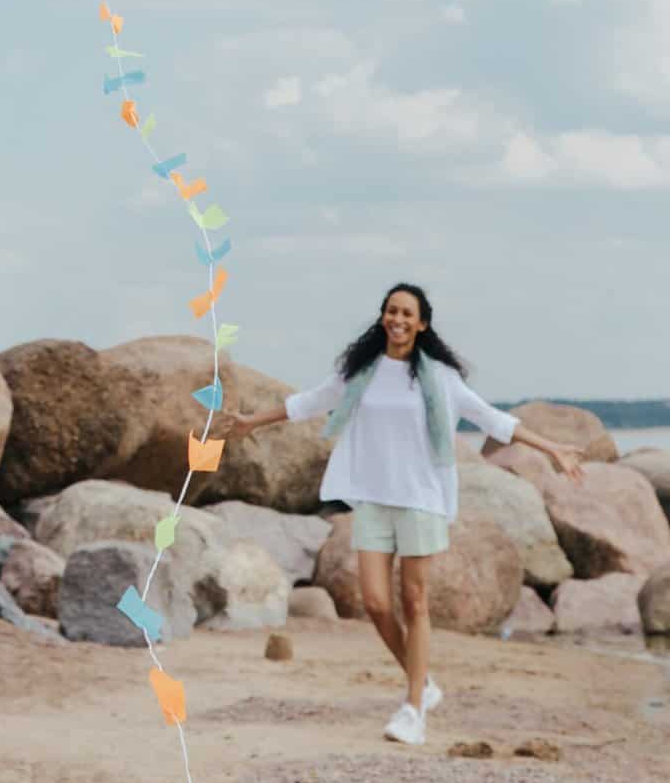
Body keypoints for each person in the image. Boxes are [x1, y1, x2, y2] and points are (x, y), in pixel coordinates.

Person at [212, 283, 585, 747]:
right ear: (383, 317)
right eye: (392, 311)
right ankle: (423, 682)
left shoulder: (441, 379)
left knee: (415, 602)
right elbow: (310, 400)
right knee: (375, 603)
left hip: (421, 500)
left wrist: (552, 449)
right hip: (373, 499)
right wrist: (250, 422)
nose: (398, 319)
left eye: (407, 313)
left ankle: (413, 710)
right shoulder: (361, 373)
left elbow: (495, 420)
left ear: (422, 323)